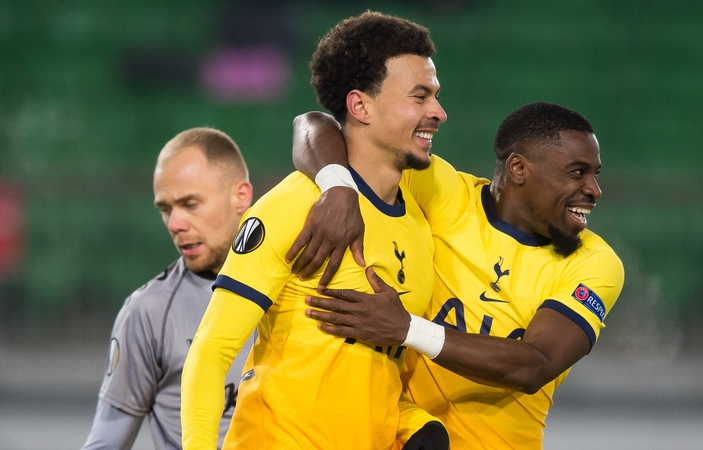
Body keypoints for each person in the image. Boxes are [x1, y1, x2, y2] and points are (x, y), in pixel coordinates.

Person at [180, 11, 449, 449]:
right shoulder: (297, 205)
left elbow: (375, 373)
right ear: (360, 105)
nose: (438, 112)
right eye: (419, 97)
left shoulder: (417, 227)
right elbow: (211, 352)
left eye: (435, 96)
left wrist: (416, 426)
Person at [290, 101, 625, 449]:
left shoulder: (595, 263)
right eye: (577, 172)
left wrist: (407, 328)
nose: (594, 190)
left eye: (595, 174)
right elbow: (313, 125)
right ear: (519, 168)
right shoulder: (444, 193)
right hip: (394, 436)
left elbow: (534, 365)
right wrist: (337, 186)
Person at [81, 128, 255, 450]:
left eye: (190, 204)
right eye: (165, 209)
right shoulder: (148, 312)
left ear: (240, 196)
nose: (175, 224)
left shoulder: (296, 288)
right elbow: (105, 444)